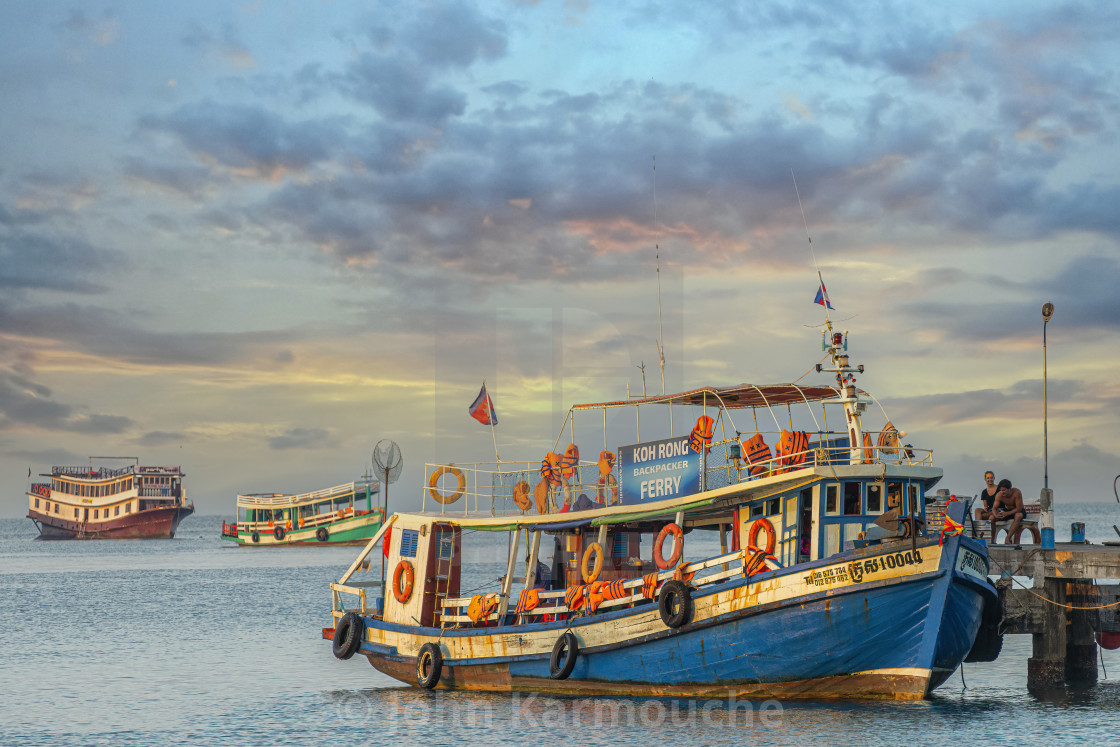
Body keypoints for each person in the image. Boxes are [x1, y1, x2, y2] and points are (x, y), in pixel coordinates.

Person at [991, 478, 1025, 543]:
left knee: (1018, 516)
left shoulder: (1016, 493)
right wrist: (996, 515)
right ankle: (992, 539)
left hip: (1018, 511)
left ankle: (1008, 538)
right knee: (991, 517)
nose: (1002, 492)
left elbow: (1019, 509)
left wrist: (1006, 513)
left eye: (1004, 490)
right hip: (1007, 511)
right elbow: (994, 508)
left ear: (1009, 489)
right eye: (1001, 490)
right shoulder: (999, 495)